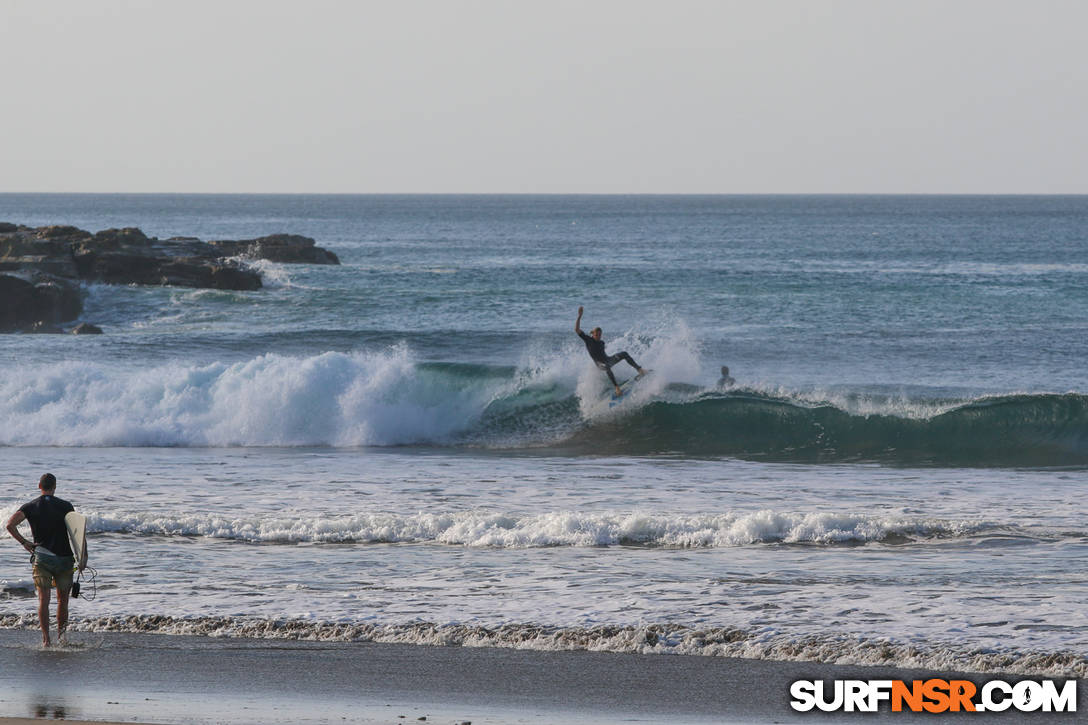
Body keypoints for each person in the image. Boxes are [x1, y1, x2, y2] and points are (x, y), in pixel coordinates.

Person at [6, 473, 80, 647]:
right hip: (64, 559)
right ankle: (62, 638)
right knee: (63, 601)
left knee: (43, 600)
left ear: (39, 486)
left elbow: (9, 525)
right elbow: (77, 534)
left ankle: (46, 640)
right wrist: (82, 558)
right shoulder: (66, 505)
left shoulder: (31, 506)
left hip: (42, 558)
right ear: (55, 486)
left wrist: (24, 542)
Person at [575, 306, 646, 397]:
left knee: (624, 354)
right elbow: (577, 330)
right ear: (593, 334)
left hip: (608, 360)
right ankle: (617, 388)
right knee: (607, 366)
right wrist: (579, 317)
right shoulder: (588, 340)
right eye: (597, 335)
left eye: (600, 335)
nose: (598, 336)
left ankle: (640, 370)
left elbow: (602, 352)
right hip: (600, 364)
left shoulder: (601, 342)